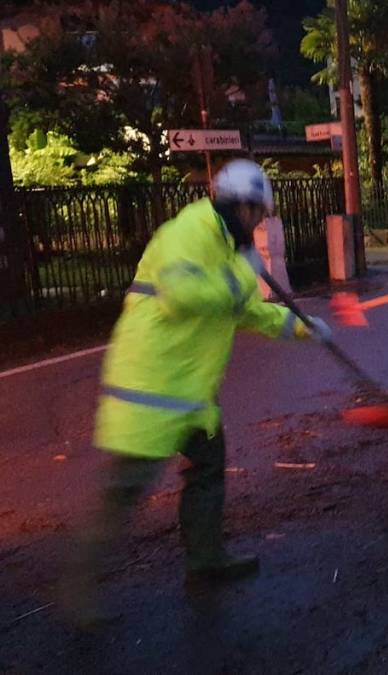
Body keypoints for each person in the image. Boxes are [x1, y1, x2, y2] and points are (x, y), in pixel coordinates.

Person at [64, 160, 333, 626]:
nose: (261, 223)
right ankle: (76, 589)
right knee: (125, 490)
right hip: (151, 387)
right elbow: (181, 294)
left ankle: (205, 561)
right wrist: (235, 278)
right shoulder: (189, 231)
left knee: (208, 470)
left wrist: (304, 327)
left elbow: (248, 313)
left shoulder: (232, 250)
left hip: (191, 391)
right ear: (240, 206)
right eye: (258, 213)